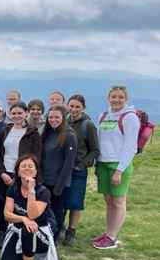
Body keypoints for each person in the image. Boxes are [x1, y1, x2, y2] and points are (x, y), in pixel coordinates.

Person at [93, 86, 140, 249]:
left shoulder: (130, 117)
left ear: (126, 99)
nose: (117, 100)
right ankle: (108, 233)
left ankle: (112, 237)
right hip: (103, 162)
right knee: (108, 200)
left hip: (119, 164)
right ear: (108, 98)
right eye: (113, 96)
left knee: (119, 201)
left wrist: (119, 170)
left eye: (120, 97)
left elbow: (130, 146)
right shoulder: (104, 115)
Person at [1, 155, 59, 260]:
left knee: (29, 228)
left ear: (36, 171)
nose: (27, 168)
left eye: (30, 166)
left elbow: (33, 216)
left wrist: (31, 190)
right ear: (18, 171)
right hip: (18, 228)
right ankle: (25, 255)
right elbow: (6, 214)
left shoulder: (43, 191)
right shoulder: (13, 188)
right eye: (23, 166)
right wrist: (23, 218)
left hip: (40, 232)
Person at [0, 101, 41, 247]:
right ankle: (2, 232)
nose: (17, 116)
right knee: (2, 203)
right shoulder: (5, 131)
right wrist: (2, 173)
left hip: (23, 175)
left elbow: (37, 156)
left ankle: (20, 232)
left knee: (20, 204)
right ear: (9, 114)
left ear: (26, 113)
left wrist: (25, 175)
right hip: (5, 174)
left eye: (20, 113)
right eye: (14, 113)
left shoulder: (33, 133)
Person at [62, 95, 100, 246]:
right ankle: (60, 228)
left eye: (77, 107)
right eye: (71, 106)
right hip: (63, 168)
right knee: (61, 200)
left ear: (83, 108)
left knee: (75, 202)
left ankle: (71, 231)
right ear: (67, 106)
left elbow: (95, 150)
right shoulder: (63, 121)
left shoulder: (88, 125)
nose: (74, 109)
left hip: (78, 169)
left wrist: (83, 164)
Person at [41, 104, 77, 241]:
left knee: (57, 212)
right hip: (44, 181)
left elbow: (69, 164)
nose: (53, 119)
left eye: (57, 117)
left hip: (58, 183)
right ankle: (44, 237)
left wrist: (59, 186)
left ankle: (54, 239)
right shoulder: (47, 133)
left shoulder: (69, 135)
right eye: (51, 117)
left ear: (63, 118)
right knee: (44, 211)